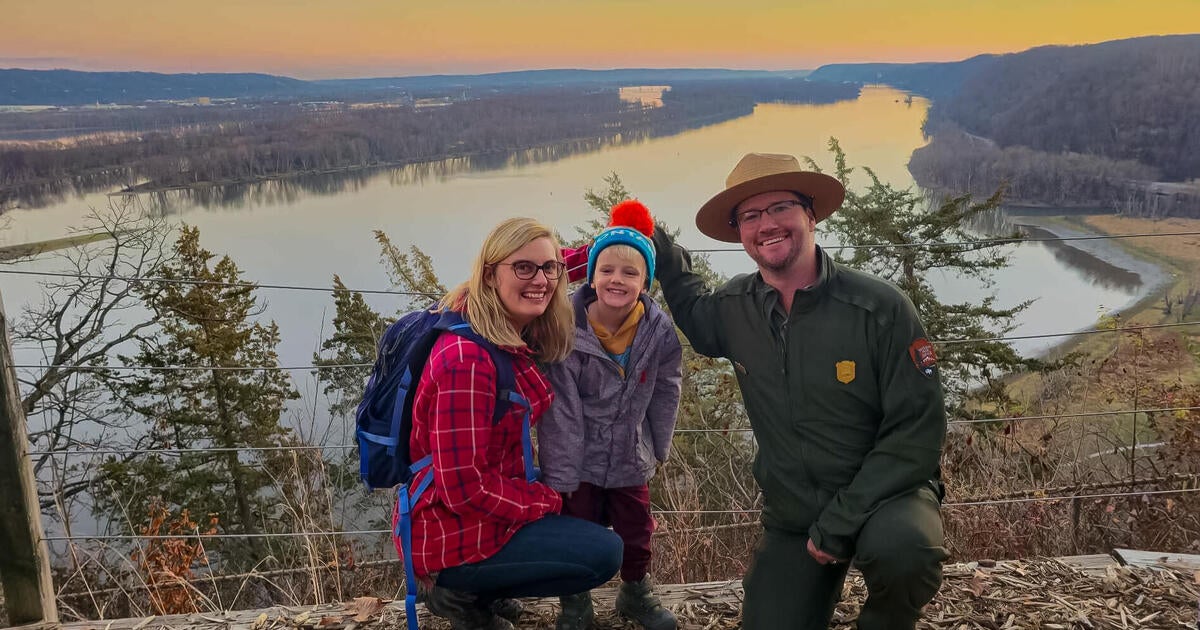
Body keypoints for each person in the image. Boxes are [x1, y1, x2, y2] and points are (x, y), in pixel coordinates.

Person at [649, 153, 949, 630]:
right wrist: (658, 248)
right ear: (740, 232)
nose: (766, 224)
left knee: (907, 551)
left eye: (780, 208)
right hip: (794, 515)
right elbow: (694, 313)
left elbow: (918, 430)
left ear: (810, 215)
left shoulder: (879, 308)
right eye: (750, 215)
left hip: (886, 498)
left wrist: (841, 521)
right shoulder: (733, 308)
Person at [394, 217, 623, 630]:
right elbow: (462, 487)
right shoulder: (466, 362)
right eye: (523, 268)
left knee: (588, 516)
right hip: (450, 532)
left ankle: (485, 587)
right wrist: (544, 501)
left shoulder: (486, 322)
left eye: (548, 267)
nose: (541, 280)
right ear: (489, 273)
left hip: (479, 514)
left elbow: (544, 268)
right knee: (602, 552)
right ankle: (458, 594)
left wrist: (612, 245)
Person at [540, 201, 684, 630]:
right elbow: (560, 408)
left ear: (646, 281)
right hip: (578, 459)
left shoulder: (658, 331)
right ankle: (575, 600)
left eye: (630, 273)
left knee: (637, 530)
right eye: (606, 270)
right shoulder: (566, 327)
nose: (616, 280)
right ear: (591, 274)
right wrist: (562, 472)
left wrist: (659, 445)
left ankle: (635, 591)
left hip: (628, 455)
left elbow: (666, 388)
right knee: (575, 531)